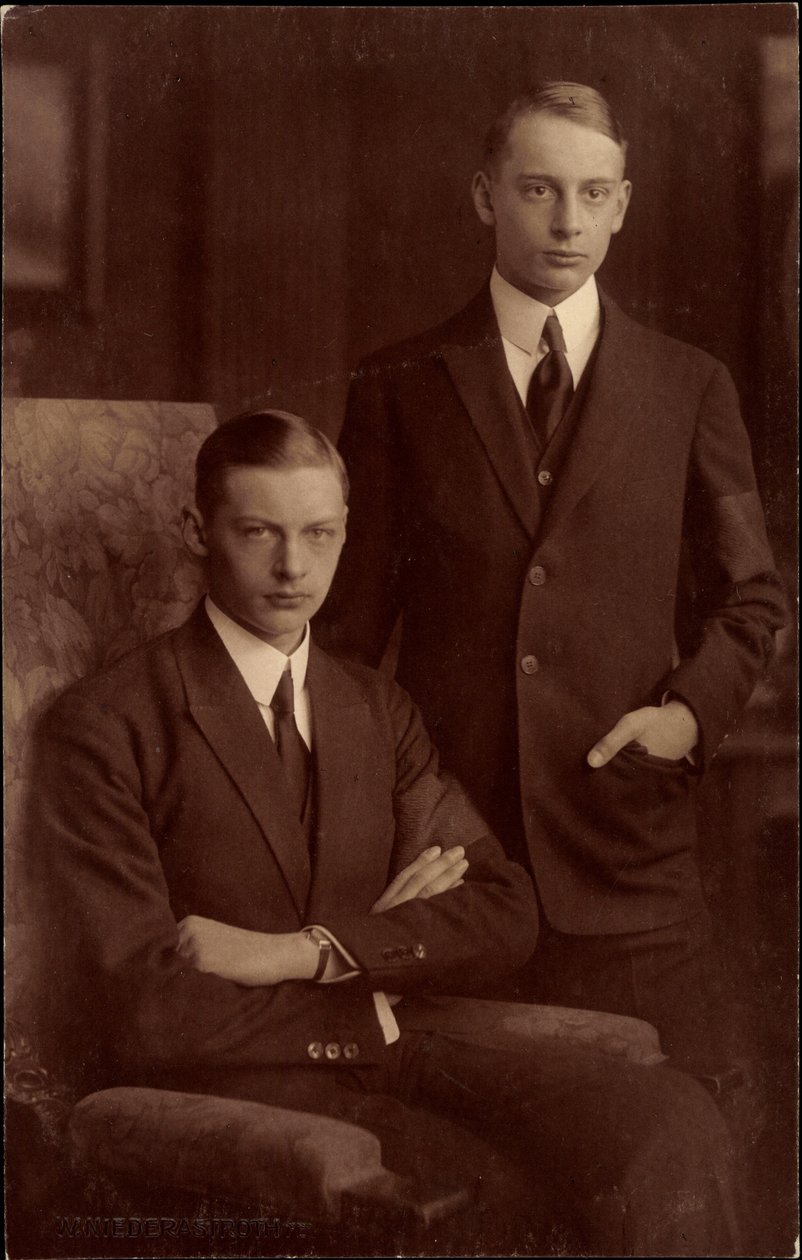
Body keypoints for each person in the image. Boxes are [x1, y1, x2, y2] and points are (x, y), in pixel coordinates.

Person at [32, 410, 739, 1256]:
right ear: (197, 530)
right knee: (487, 1197)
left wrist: (308, 949)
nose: (295, 567)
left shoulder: (374, 708)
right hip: (247, 1078)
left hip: (397, 1041)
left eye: (320, 534)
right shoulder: (107, 724)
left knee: (670, 1124)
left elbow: (505, 908)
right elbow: (143, 1006)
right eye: (259, 532)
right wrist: (381, 977)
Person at [321, 82, 787, 1068]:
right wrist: (389, 824)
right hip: (456, 861)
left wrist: (686, 718)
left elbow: (752, 600)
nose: (567, 221)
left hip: (630, 859)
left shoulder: (688, 385)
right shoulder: (399, 385)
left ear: (622, 204)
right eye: (538, 190)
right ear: (486, 196)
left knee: (704, 1134)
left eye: (591, 193)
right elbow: (348, 644)